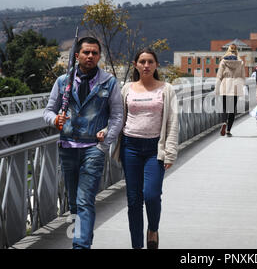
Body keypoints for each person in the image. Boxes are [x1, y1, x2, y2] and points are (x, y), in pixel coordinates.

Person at [43, 36, 123, 249]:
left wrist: (104, 144)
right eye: (86, 52)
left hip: (92, 149)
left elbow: (117, 116)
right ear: (77, 55)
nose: (90, 56)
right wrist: (54, 119)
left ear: (99, 56)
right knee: (74, 204)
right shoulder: (63, 82)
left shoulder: (109, 82)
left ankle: (80, 246)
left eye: (94, 53)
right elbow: (48, 111)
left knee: (85, 200)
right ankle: (82, 239)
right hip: (67, 147)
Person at [109, 48, 179, 249]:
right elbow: (117, 117)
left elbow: (173, 122)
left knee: (151, 195)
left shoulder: (166, 89)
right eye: (142, 62)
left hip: (154, 148)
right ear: (136, 65)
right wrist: (106, 131)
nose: (146, 65)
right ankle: (137, 245)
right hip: (130, 147)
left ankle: (153, 229)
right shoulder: (127, 89)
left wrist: (170, 152)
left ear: (156, 65)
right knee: (133, 201)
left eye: (150, 62)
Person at [215, 44, 246, 137]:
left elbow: (219, 75)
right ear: (237, 51)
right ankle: (228, 130)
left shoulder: (223, 61)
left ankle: (224, 122)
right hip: (236, 86)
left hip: (225, 85)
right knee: (232, 109)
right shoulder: (240, 62)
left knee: (224, 107)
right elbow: (243, 76)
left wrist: (217, 88)